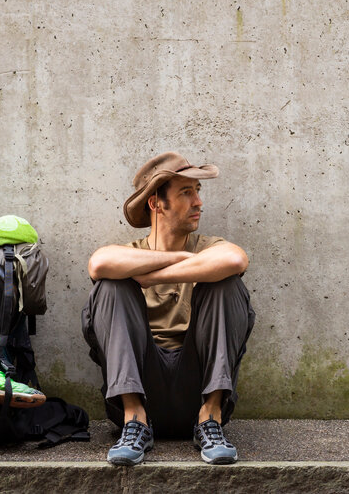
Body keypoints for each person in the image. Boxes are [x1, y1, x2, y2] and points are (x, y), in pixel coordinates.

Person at [82, 151, 255, 466]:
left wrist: (152, 277)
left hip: (198, 387)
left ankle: (211, 419)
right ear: (155, 203)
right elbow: (99, 263)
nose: (198, 202)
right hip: (140, 388)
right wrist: (183, 260)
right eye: (186, 192)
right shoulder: (131, 253)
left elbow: (234, 260)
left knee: (227, 284)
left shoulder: (209, 248)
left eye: (197, 192)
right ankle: (135, 421)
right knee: (110, 286)